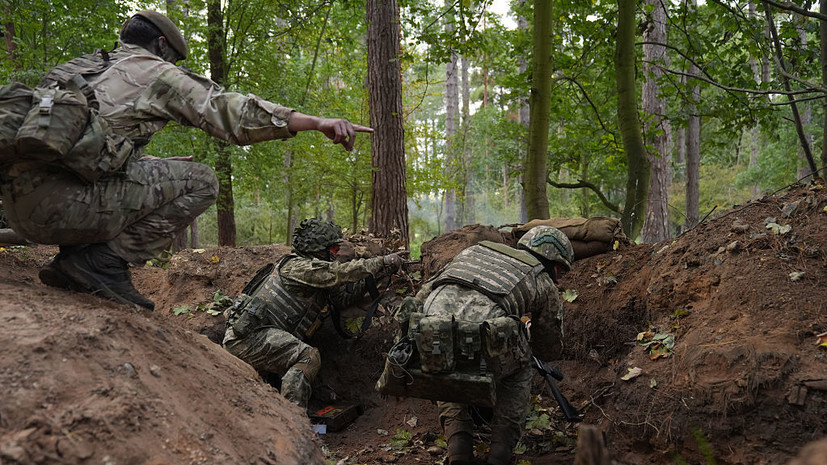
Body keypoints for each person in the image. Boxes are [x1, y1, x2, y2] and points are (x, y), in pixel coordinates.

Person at [0, 10, 372, 311]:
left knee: (168, 173)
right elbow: (229, 111)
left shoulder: (79, 71)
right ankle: (100, 263)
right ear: (161, 45)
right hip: (62, 210)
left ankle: (78, 260)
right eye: (175, 58)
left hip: (19, 207)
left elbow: (84, 146)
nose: (174, 65)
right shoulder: (154, 71)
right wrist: (314, 122)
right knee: (202, 181)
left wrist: (143, 164)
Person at [404, 226, 573, 465]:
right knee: (521, 369)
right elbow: (548, 348)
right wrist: (522, 333)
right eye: (561, 272)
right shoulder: (541, 278)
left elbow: (426, 291)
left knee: (446, 362)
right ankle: (499, 454)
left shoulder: (474, 252)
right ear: (554, 265)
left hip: (430, 330)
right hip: (483, 339)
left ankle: (458, 449)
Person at [223, 218, 403, 408]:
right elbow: (337, 272)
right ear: (316, 250)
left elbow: (341, 299)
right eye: (333, 250)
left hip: (261, 337)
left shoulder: (314, 274)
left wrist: (378, 272)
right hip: (247, 340)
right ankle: (294, 419)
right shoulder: (297, 267)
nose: (336, 255)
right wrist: (381, 261)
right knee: (308, 357)